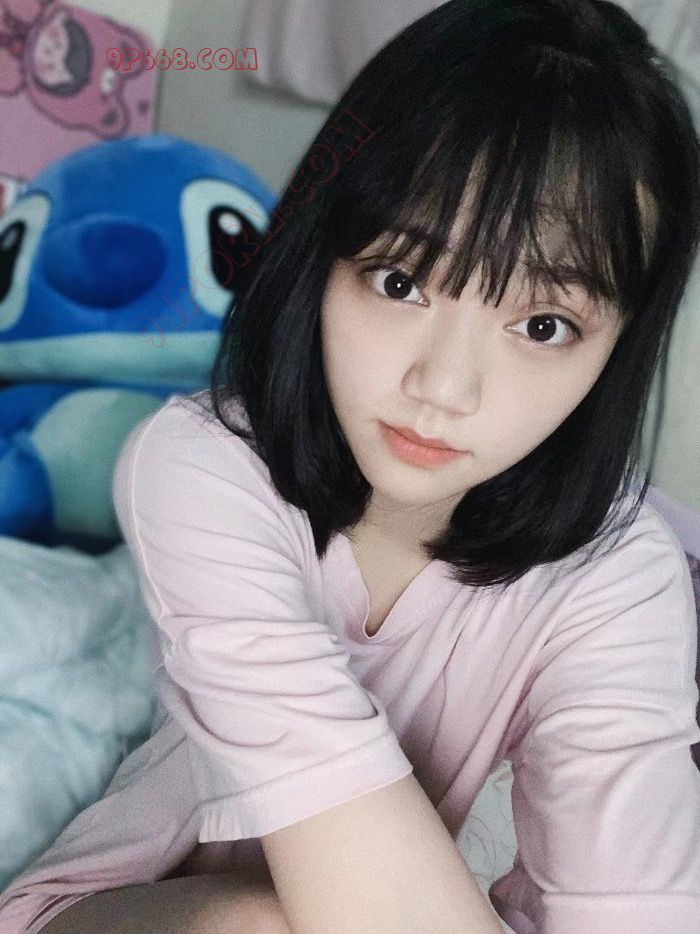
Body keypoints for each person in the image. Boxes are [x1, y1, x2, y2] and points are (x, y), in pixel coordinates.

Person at [2, 0, 699, 931]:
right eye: (400, 280)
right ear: (321, 255)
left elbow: (630, 904)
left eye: (543, 325)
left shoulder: (618, 573)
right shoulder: (208, 464)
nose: (443, 387)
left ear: (616, 349)